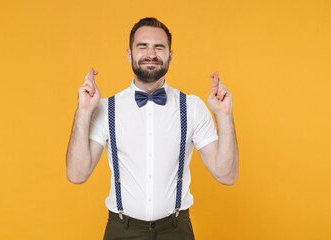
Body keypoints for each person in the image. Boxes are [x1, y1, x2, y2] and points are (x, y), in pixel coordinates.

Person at [66, 17, 238, 240]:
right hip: (122, 231)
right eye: (142, 46)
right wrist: (83, 111)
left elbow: (227, 175)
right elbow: (76, 174)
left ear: (170, 55)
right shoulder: (106, 108)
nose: (151, 54)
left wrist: (223, 116)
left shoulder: (193, 107)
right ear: (129, 54)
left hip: (177, 230)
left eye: (159, 47)